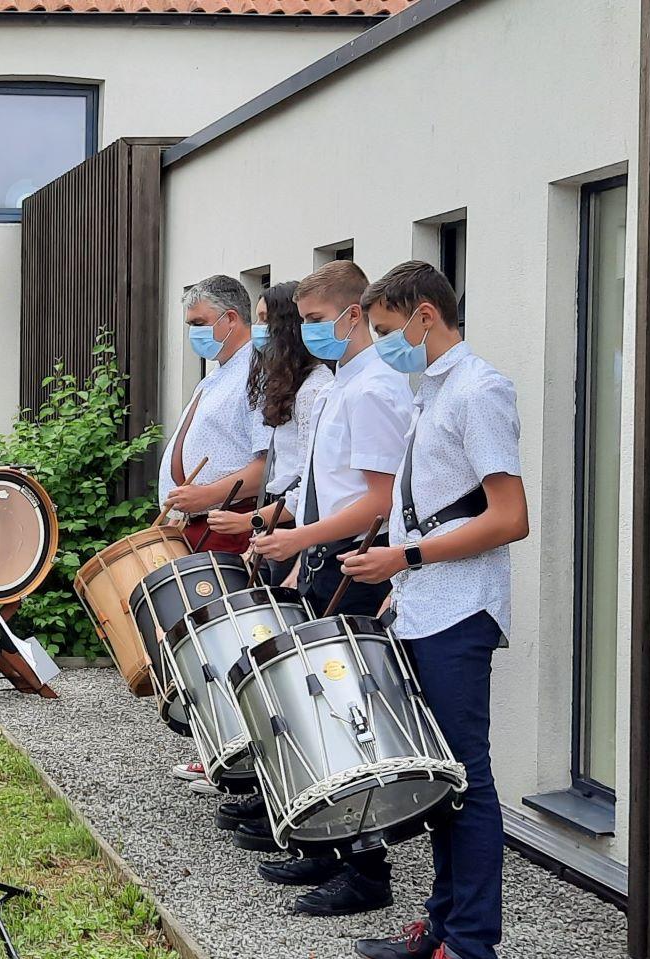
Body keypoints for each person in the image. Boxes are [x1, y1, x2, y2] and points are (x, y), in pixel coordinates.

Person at [341, 261, 528, 959]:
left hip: (459, 610)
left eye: (388, 330)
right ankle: (443, 926)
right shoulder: (431, 391)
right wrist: (400, 578)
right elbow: (431, 506)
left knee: (468, 781)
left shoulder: (479, 390)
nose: (385, 345)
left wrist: (407, 561)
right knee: (440, 779)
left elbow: (510, 517)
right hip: (424, 605)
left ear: (425, 314)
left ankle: (471, 943)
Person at [229, 261, 414, 917]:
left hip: (353, 562)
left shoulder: (372, 390)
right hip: (324, 555)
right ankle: (329, 844)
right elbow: (324, 483)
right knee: (317, 711)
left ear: (352, 315)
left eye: (315, 321)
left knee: (347, 717)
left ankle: (367, 870)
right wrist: (294, 538)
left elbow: (379, 503)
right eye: (302, 323)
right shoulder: (343, 383)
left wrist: (302, 541)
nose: (307, 335)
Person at [207, 281, 334, 581]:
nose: (258, 330)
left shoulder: (315, 388)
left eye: (265, 320)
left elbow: (308, 482)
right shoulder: (291, 384)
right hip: (275, 518)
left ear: (286, 327)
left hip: (292, 524)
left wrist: (248, 520)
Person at [159, 275, 265, 554]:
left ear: (230, 319)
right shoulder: (217, 374)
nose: (193, 333)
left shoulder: (259, 372)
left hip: (228, 524)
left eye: (199, 324)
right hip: (193, 523)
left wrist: (206, 495)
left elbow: (270, 463)